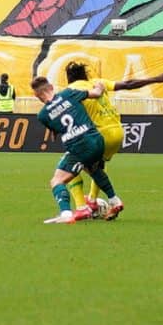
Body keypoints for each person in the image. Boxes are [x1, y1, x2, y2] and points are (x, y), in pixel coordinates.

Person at [59, 58, 163, 216]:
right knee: (96, 167)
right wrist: (155, 79)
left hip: (99, 134)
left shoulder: (71, 90)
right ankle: (95, 200)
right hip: (117, 132)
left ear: (69, 78)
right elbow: (128, 84)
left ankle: (82, 207)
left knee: (69, 167)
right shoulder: (98, 82)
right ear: (85, 76)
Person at [32, 73, 120, 225]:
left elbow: (55, 131)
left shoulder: (43, 115)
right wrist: (99, 86)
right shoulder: (68, 93)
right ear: (51, 87)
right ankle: (115, 200)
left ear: (37, 96)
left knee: (57, 181)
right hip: (97, 140)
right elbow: (96, 93)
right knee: (92, 169)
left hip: (79, 146)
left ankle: (66, 213)